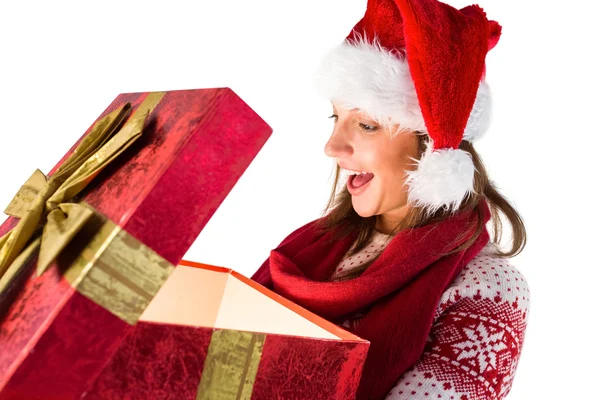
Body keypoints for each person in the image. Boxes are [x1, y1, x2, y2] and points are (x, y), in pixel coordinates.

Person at [251, 0, 530, 398]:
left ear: (435, 150)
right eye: (336, 118)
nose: (332, 147)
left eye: (366, 125)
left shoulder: (489, 288)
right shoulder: (307, 249)